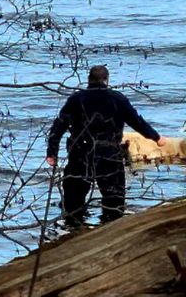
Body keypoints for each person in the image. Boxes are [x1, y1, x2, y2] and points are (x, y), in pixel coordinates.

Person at [46, 65, 166, 226]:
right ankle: (109, 228)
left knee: (73, 204)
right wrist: (156, 137)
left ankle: (72, 230)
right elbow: (136, 121)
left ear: (89, 80)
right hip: (109, 154)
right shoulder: (117, 99)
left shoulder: (76, 99)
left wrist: (51, 152)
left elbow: (58, 126)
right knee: (114, 204)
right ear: (106, 80)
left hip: (81, 153)